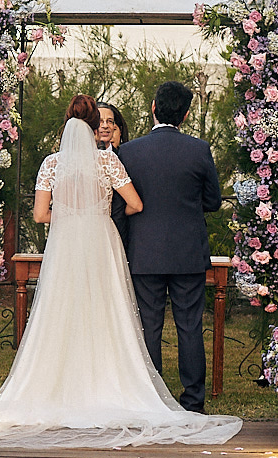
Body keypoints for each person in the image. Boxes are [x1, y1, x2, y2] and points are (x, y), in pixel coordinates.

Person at [0, 95, 241, 448]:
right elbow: (135, 204)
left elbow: (40, 215)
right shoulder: (108, 161)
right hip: (101, 241)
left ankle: (62, 385)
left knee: (62, 311)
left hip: (66, 244)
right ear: (95, 127)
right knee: (108, 311)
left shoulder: (51, 164)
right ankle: (123, 385)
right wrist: (97, 216)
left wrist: (71, 216)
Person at [115, 81, 223, 414]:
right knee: (189, 326)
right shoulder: (199, 149)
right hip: (187, 252)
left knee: (149, 325)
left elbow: (120, 204)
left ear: (153, 107)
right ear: (186, 114)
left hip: (144, 252)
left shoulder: (129, 151)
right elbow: (213, 201)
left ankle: (151, 398)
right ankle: (193, 401)